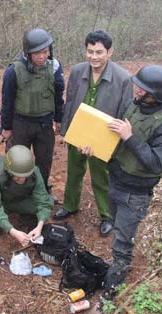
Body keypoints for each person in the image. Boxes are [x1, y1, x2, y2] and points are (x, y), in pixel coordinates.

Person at [85, 64, 162, 301]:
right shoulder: (132, 107)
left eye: (141, 88)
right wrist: (92, 147)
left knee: (123, 240)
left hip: (135, 193)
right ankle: (117, 263)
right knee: (118, 227)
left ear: (154, 95)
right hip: (115, 180)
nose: (135, 89)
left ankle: (113, 285)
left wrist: (130, 136)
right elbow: (114, 141)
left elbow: (157, 163)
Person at [57, 30, 133, 237]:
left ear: (110, 52)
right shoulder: (78, 71)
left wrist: (116, 143)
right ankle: (70, 205)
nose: (94, 57)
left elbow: (125, 113)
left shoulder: (124, 79)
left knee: (101, 176)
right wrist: (64, 131)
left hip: (103, 136)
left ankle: (107, 216)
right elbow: (70, 101)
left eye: (99, 52)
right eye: (90, 52)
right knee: (74, 171)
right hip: (78, 130)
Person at [0, 28, 65, 196]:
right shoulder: (14, 71)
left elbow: (58, 95)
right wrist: (6, 128)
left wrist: (59, 119)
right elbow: (7, 100)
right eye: (37, 53)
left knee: (44, 161)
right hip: (21, 123)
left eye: (45, 51)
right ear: (28, 53)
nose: (42, 56)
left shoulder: (55, 67)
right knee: (16, 160)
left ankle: (40, 192)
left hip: (45, 124)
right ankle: (14, 193)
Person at [0, 145, 54, 247]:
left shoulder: (34, 172)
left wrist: (39, 226)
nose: (22, 180)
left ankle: (28, 218)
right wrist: (12, 231)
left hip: (22, 199)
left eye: (25, 176)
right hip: (3, 201)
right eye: (18, 178)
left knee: (49, 201)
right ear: (9, 172)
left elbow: (43, 201)